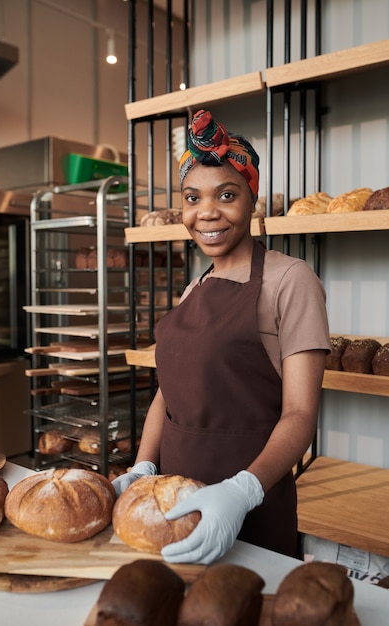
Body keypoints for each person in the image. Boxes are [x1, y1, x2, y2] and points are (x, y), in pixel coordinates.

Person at [113, 109, 330, 565]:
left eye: (226, 194)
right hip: (170, 502)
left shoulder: (291, 280)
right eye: (192, 198)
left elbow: (300, 413)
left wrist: (243, 490)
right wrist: (142, 468)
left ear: (252, 198)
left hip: (249, 505)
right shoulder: (195, 287)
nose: (206, 212)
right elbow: (165, 395)